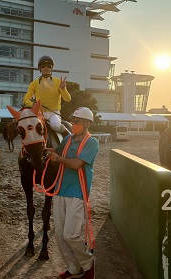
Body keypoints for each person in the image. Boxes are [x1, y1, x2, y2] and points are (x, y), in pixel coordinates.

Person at [47, 107, 99, 279]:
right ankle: (73, 268)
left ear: (87, 124)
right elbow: (56, 152)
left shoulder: (92, 142)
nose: (73, 123)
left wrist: (59, 159)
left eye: (77, 121)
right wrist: (45, 151)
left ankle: (88, 264)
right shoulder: (68, 139)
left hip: (77, 193)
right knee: (59, 235)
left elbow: (77, 164)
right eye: (73, 120)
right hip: (60, 190)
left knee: (71, 235)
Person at [23, 55, 71, 136]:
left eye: (49, 66)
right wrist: (32, 104)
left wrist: (63, 89)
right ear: (40, 68)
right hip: (40, 113)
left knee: (55, 126)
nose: (46, 68)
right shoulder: (34, 84)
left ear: (51, 68)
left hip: (54, 113)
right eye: (43, 66)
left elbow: (68, 99)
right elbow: (25, 99)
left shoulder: (58, 82)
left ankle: (69, 137)